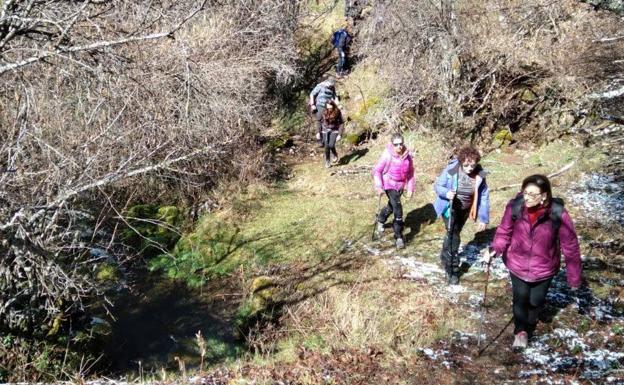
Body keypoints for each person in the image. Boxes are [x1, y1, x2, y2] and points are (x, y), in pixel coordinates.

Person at [488, 174, 582, 350]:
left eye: (533, 194)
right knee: (520, 300)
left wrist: (574, 277)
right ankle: (521, 332)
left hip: (544, 268)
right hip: (517, 263)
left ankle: (531, 321)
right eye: (525, 193)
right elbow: (504, 231)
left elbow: (570, 245)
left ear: (544, 195)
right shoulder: (515, 207)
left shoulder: (557, 214)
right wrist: (496, 248)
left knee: (536, 301)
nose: (527, 198)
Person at [433, 146, 489, 285]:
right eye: (466, 165)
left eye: (473, 165)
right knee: (454, 235)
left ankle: (444, 255)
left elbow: (484, 196)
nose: (470, 168)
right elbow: (438, 185)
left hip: (465, 209)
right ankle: (452, 269)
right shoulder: (452, 169)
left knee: (453, 233)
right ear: (461, 162)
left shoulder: (480, 175)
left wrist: (483, 217)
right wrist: (447, 193)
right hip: (449, 207)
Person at [372, 133, 415, 249]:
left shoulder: (407, 156)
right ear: (392, 144)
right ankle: (399, 237)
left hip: (400, 186)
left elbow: (411, 173)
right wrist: (379, 186)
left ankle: (381, 219)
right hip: (389, 184)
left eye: (401, 143)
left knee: (391, 206)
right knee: (398, 210)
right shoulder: (387, 155)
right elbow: (377, 171)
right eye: (396, 144)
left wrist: (410, 188)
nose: (399, 146)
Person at [309, 77, 338, 146]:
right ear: (327, 82)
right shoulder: (320, 86)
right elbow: (312, 94)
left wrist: (338, 105)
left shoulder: (332, 88)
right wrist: (312, 104)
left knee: (327, 122)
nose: (331, 86)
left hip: (329, 107)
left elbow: (335, 97)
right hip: (320, 105)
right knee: (319, 121)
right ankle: (319, 139)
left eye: (332, 85)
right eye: (330, 84)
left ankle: (326, 139)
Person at [319, 100, 344, 168]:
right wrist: (318, 132)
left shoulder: (337, 112)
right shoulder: (323, 112)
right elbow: (319, 122)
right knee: (326, 146)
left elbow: (341, 123)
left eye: (330, 107)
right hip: (325, 130)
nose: (329, 109)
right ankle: (327, 161)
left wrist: (339, 134)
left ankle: (334, 153)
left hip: (334, 130)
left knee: (331, 145)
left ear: (333, 106)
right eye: (328, 107)